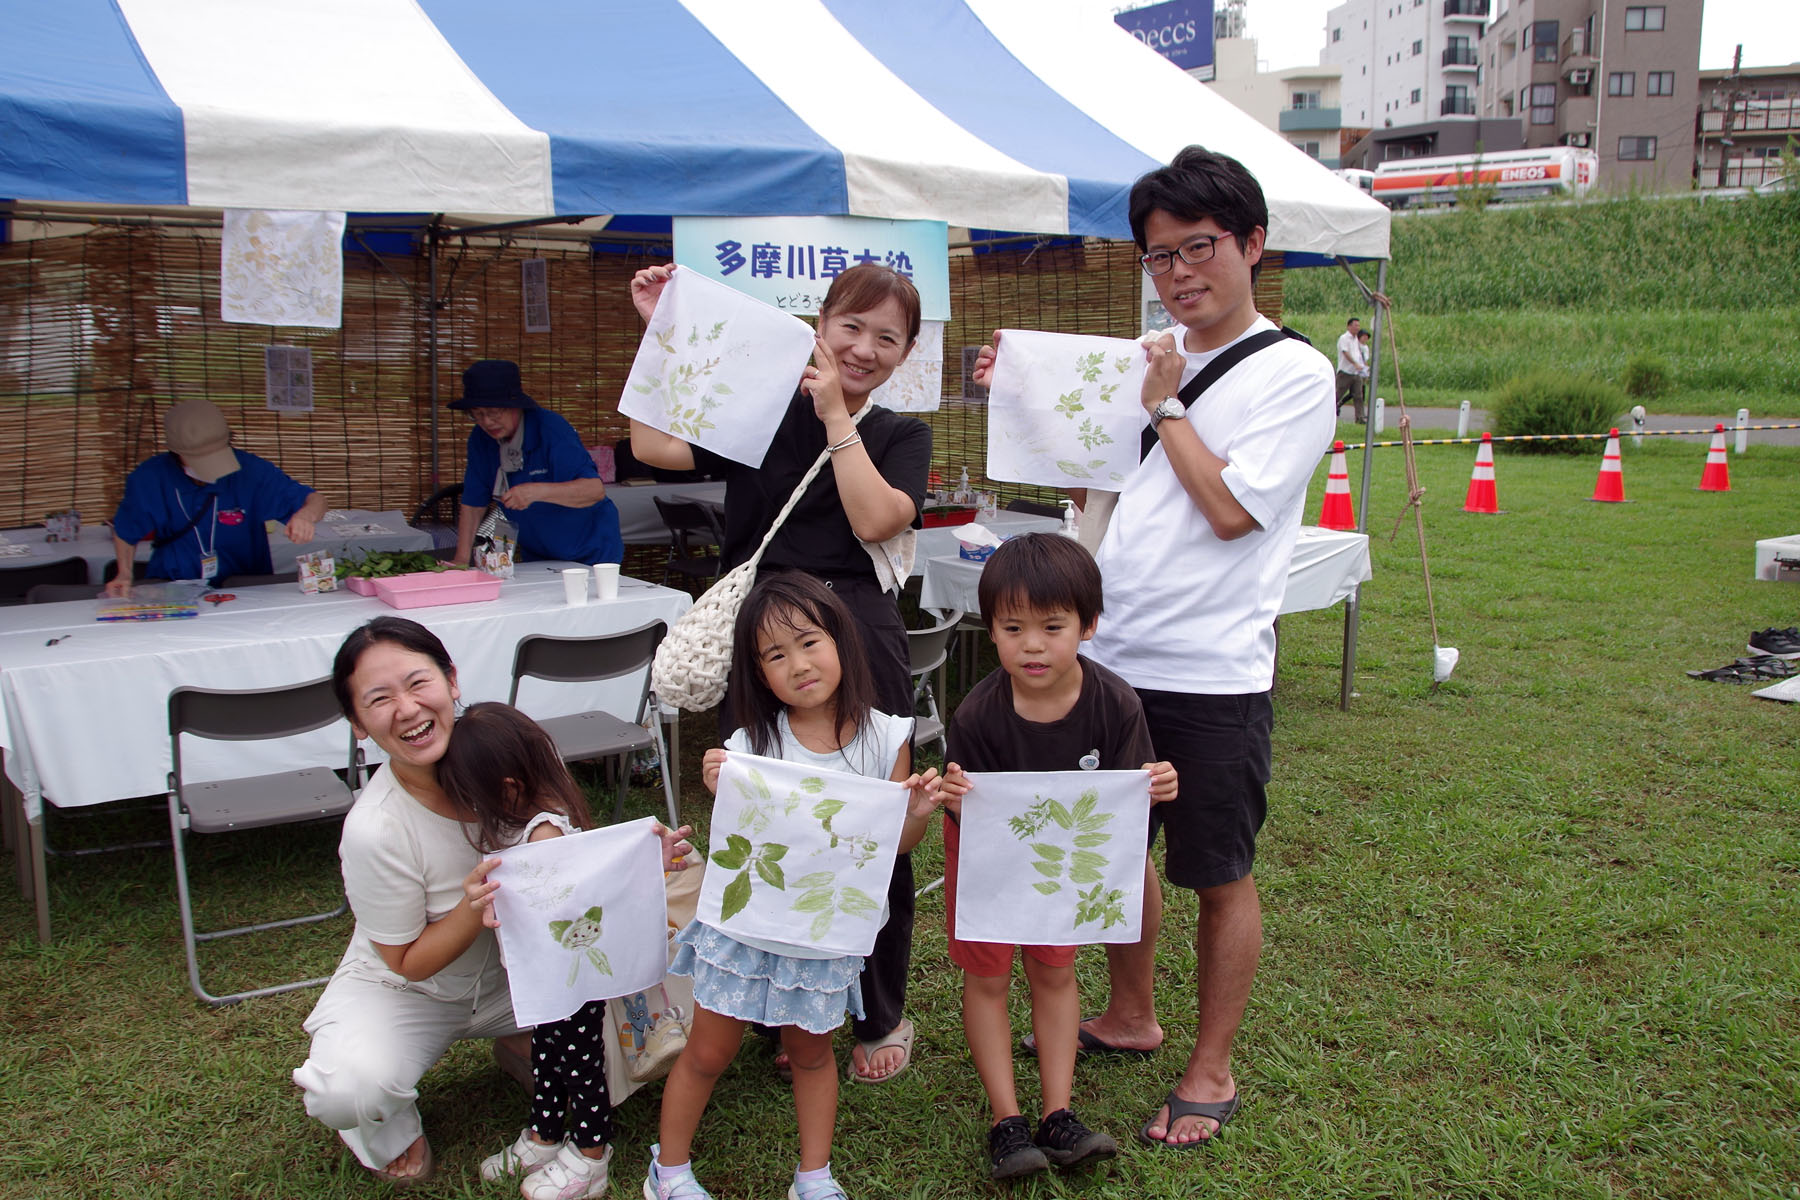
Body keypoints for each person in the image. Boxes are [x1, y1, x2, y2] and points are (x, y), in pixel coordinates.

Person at [973, 146, 1335, 1149]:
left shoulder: (1297, 374)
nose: (1179, 273)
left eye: (1199, 248)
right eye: (1159, 254)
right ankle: (1130, 1014)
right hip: (1112, 656)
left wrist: (1166, 402)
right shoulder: (1145, 357)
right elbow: (1082, 477)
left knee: (1216, 868)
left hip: (1211, 668)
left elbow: (1227, 510)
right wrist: (1024, 389)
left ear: (1252, 245)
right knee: (1114, 841)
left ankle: (1210, 1070)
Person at [627, 262, 931, 1085]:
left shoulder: (901, 435)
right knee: (762, 818)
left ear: (905, 354)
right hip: (764, 638)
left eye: (886, 338)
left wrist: (837, 414)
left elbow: (874, 517)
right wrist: (666, 333)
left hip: (857, 638)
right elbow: (653, 444)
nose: (864, 348)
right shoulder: (764, 404)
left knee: (870, 825)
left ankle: (877, 1010)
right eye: (852, 328)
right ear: (821, 322)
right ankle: (767, 997)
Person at [648, 573, 940, 1200]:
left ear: (841, 640)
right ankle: (667, 1170)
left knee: (812, 1054)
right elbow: (737, 820)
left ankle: (814, 1176)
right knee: (707, 1051)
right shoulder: (753, 743)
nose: (798, 664)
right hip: (745, 926)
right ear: (757, 672)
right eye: (775, 655)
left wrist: (914, 813)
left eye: (809, 642)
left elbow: (896, 847)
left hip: (822, 933)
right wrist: (715, 780)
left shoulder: (887, 737)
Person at [935, 534, 1177, 1181]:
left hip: (1059, 865)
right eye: (1013, 628)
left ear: (1088, 626)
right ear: (991, 632)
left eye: (1052, 626)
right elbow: (966, 810)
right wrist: (952, 798)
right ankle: (1005, 1120)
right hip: (986, 859)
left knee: (1056, 971)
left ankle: (1058, 1114)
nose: (1033, 644)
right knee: (987, 979)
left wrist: (1157, 787)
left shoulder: (1115, 702)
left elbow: (1130, 808)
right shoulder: (979, 712)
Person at [293, 617, 534, 1185]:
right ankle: (387, 1120)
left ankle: (520, 1039)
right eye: (379, 699)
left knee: (644, 1036)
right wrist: (473, 907)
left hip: (512, 976)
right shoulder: (374, 828)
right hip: (409, 988)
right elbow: (404, 960)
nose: (406, 708)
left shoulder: (502, 755)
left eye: (417, 682)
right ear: (357, 725)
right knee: (347, 1090)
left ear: (452, 681)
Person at [443, 702, 693, 1200]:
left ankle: (591, 1154)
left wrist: (649, 860)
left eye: (467, 795)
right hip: (548, 977)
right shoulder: (514, 826)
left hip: (572, 977)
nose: (463, 807)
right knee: (549, 1055)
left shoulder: (542, 831)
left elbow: (586, 890)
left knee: (580, 1060)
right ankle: (545, 1133)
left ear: (506, 788)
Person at [105, 398, 328, 595]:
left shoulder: (250, 471)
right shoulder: (150, 478)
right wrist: (124, 573)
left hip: (244, 588)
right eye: (199, 459)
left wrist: (305, 516)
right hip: (172, 586)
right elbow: (126, 530)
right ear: (176, 452)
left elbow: (316, 500)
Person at [450, 359, 622, 567]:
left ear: (515, 406)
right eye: (477, 414)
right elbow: (473, 505)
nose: (486, 421)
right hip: (539, 555)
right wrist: (460, 560)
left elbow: (593, 490)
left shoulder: (550, 429)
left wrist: (535, 492)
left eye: (494, 412)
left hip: (590, 552)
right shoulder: (480, 440)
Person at [1335, 316, 1365, 422]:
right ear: (1349, 326)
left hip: (1355, 372)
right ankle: (1329, 412)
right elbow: (1345, 352)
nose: (1357, 328)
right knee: (1337, 394)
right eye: (1355, 325)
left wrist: (1362, 366)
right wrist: (1354, 363)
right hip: (1345, 371)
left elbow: (1358, 353)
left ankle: (1360, 417)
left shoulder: (1355, 339)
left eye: (1358, 325)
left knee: (1358, 396)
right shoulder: (1344, 338)